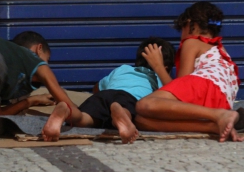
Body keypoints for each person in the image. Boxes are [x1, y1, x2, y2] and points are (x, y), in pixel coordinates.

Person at [135, 1, 244, 142]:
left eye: (182, 29)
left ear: (190, 24)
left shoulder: (191, 42)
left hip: (204, 87)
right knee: (141, 120)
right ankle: (213, 125)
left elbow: (179, 89)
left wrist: (158, 66)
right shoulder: (220, 50)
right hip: (220, 101)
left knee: (144, 105)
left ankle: (219, 115)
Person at [41, 37, 175, 144]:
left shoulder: (123, 69)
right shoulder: (158, 78)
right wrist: (161, 70)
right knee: (127, 110)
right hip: (129, 98)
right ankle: (121, 114)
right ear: (167, 68)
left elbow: (97, 87)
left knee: (83, 119)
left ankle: (67, 110)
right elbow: (173, 92)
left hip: (105, 94)